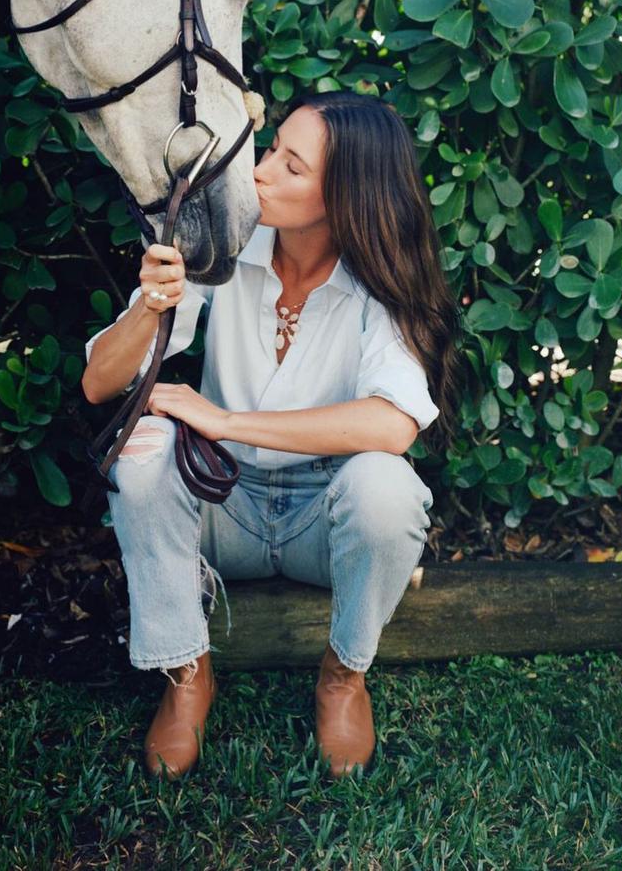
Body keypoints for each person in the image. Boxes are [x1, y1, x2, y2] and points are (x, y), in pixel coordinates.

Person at [82, 90, 462, 780]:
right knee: (140, 452)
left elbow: (393, 423)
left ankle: (343, 677)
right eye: (272, 148)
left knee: (386, 487)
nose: (257, 170)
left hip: (325, 522)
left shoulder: (381, 283)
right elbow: (99, 384)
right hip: (222, 506)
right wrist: (151, 307)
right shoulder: (221, 244)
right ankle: (186, 674)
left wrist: (225, 420)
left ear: (346, 196)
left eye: (292, 165)